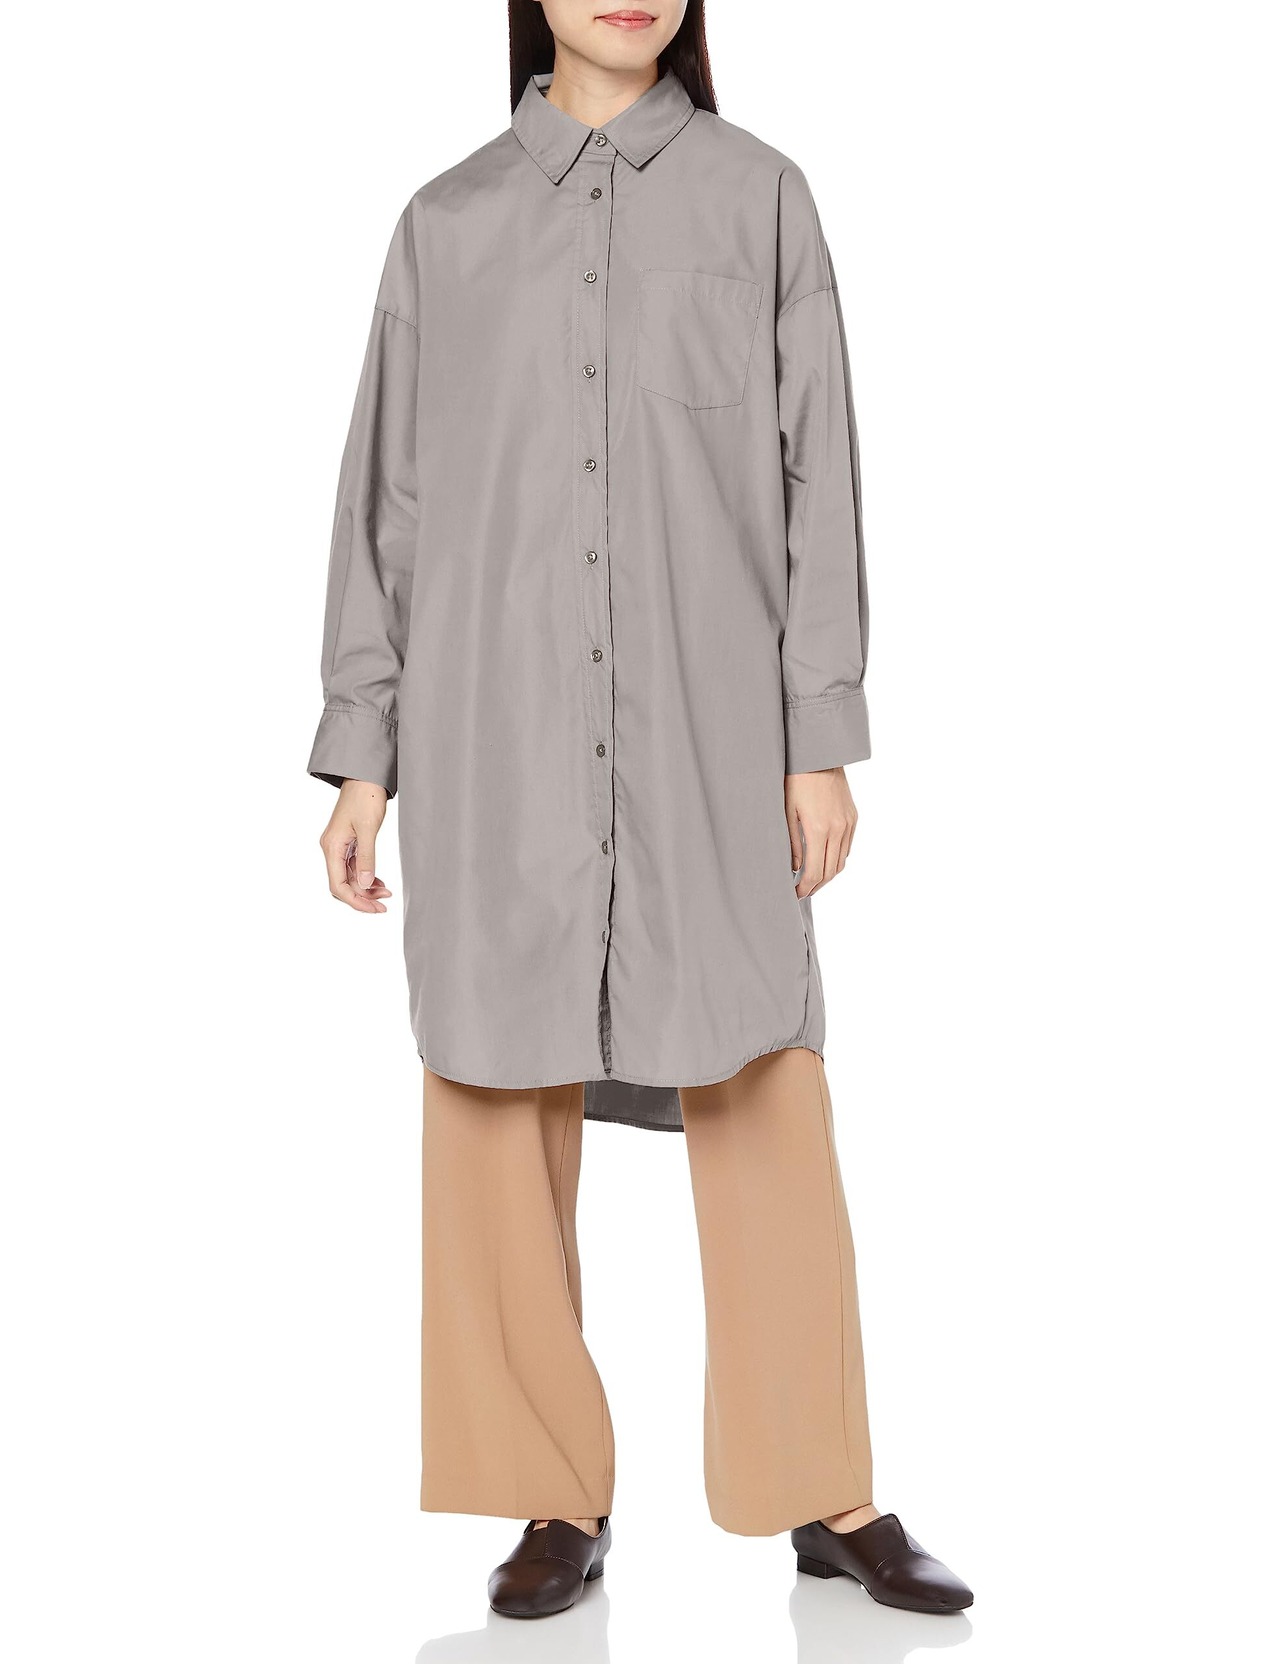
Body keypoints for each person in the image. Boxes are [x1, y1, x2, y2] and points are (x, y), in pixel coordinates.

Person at [309, 0, 972, 1622]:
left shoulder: (761, 199)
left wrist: (819, 734)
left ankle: (827, 1490)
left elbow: (822, 482)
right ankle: (551, 1494)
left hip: (708, 741)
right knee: (492, 1096)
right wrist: (363, 751)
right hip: (493, 741)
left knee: (763, 1081)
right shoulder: (446, 223)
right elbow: (389, 504)